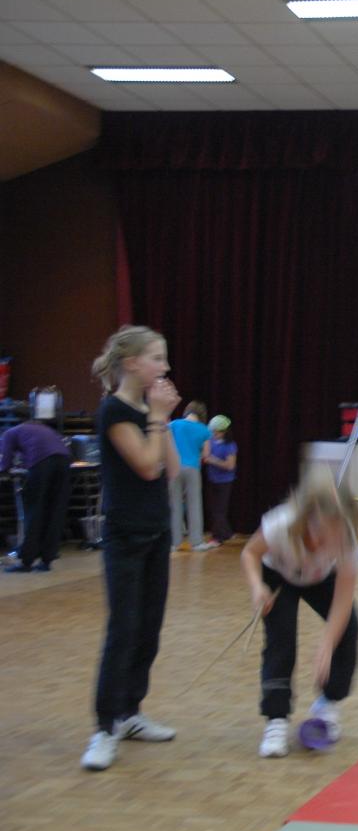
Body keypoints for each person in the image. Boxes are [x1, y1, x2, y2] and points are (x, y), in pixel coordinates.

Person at [82, 325, 183, 771]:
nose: (165, 367)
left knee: (148, 628)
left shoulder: (148, 410)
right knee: (122, 630)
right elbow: (145, 466)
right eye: (157, 359)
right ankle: (105, 729)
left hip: (156, 531)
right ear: (131, 364)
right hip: (125, 536)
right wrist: (158, 417)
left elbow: (173, 469)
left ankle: (130, 713)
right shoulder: (113, 410)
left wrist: (163, 416)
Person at [240, 469, 358, 758]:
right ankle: (276, 720)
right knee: (281, 641)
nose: (328, 543)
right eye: (324, 533)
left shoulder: (346, 542)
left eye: (337, 534)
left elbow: (343, 600)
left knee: (350, 629)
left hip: (320, 578)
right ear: (309, 518)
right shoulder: (281, 524)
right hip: (278, 576)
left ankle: (327, 706)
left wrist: (327, 643)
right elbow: (249, 553)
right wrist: (257, 587)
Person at [1, 406, 72, 572]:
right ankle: (47, 559)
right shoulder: (43, 428)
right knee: (55, 510)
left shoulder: (10, 433)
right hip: (64, 462)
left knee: (35, 510)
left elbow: (5, 465)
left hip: (42, 463)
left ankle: (26, 561)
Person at [169, 401, 212, 552]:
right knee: (194, 504)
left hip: (174, 467)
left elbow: (166, 444)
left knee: (174, 505)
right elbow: (206, 454)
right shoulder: (205, 430)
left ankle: (174, 543)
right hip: (193, 468)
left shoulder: (174, 424)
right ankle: (197, 542)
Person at [203, 414, 237, 547]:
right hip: (212, 480)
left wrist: (212, 460)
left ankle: (218, 537)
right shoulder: (210, 441)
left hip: (225, 481)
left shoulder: (230, 445)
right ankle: (227, 533)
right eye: (212, 431)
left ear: (224, 432)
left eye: (216, 431)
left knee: (219, 510)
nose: (213, 433)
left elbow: (230, 465)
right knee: (214, 508)